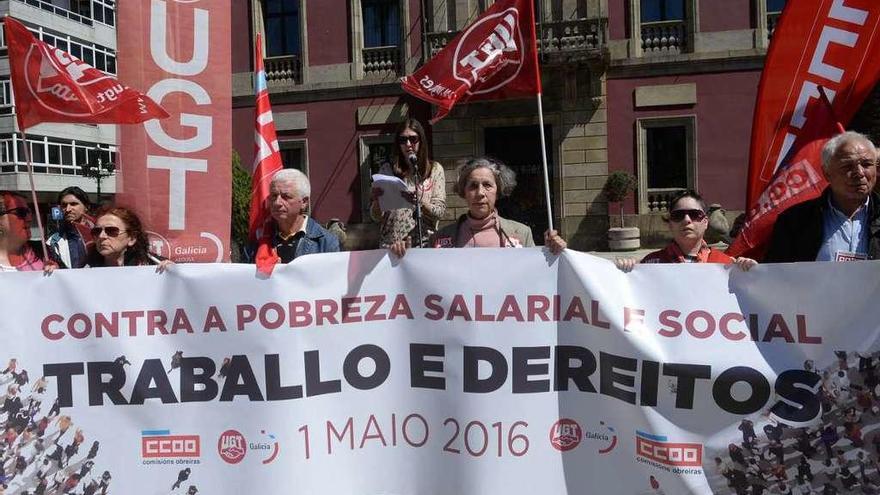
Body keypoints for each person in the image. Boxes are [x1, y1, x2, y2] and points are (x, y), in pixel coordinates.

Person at [389, 157, 566, 256]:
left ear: (498, 190)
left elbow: (537, 277)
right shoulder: (440, 238)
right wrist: (404, 256)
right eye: (473, 186)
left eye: (487, 185)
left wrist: (553, 251)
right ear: (463, 192)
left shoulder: (522, 233)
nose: (480, 193)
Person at [765, 131, 880, 262]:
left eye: (866, 164)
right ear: (827, 173)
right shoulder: (795, 221)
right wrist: (751, 269)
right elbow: (776, 274)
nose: (859, 173)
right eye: (847, 166)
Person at [616, 190, 756, 271]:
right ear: (670, 224)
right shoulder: (650, 263)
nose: (687, 220)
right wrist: (624, 271)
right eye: (678, 215)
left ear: (705, 222)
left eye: (694, 214)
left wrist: (751, 273)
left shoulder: (726, 264)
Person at [370, 119, 446, 248]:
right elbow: (376, 217)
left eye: (413, 139)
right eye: (403, 140)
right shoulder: (386, 170)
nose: (408, 144)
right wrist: (377, 202)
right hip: (392, 245)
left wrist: (420, 202)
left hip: (424, 244)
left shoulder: (435, 169)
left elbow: (440, 212)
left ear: (421, 140)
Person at [249, 169, 339, 270]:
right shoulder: (258, 240)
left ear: (304, 202)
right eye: (274, 196)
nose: (277, 203)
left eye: (285, 197)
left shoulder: (326, 243)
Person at [86, 206, 172, 271]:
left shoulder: (154, 265)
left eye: (111, 231)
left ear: (131, 238)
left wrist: (174, 271)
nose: (102, 236)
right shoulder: (85, 269)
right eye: (97, 231)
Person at [46, 186, 94, 269]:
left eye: (73, 204)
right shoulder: (53, 241)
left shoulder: (100, 234)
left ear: (86, 206)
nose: (68, 209)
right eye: (64, 205)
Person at [0, 191, 45, 271]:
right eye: (21, 212)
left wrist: (58, 272)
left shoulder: (44, 251)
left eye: (29, 212)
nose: (29, 218)